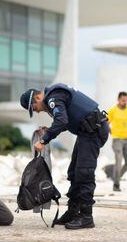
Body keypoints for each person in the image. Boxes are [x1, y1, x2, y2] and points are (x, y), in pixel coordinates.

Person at [20, 83, 109, 229]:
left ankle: (86, 216)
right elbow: (66, 118)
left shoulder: (53, 97)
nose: (37, 112)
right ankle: (73, 211)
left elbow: (62, 121)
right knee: (74, 172)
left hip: (93, 132)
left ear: (37, 97)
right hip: (86, 132)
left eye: (34, 108)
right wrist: (49, 130)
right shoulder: (54, 96)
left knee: (84, 173)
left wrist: (44, 140)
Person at [107, 92, 127, 192]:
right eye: (123, 100)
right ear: (118, 99)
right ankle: (116, 184)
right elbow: (106, 123)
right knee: (118, 161)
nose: (125, 102)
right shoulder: (112, 110)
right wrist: (111, 132)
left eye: (126, 100)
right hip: (117, 139)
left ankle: (116, 177)